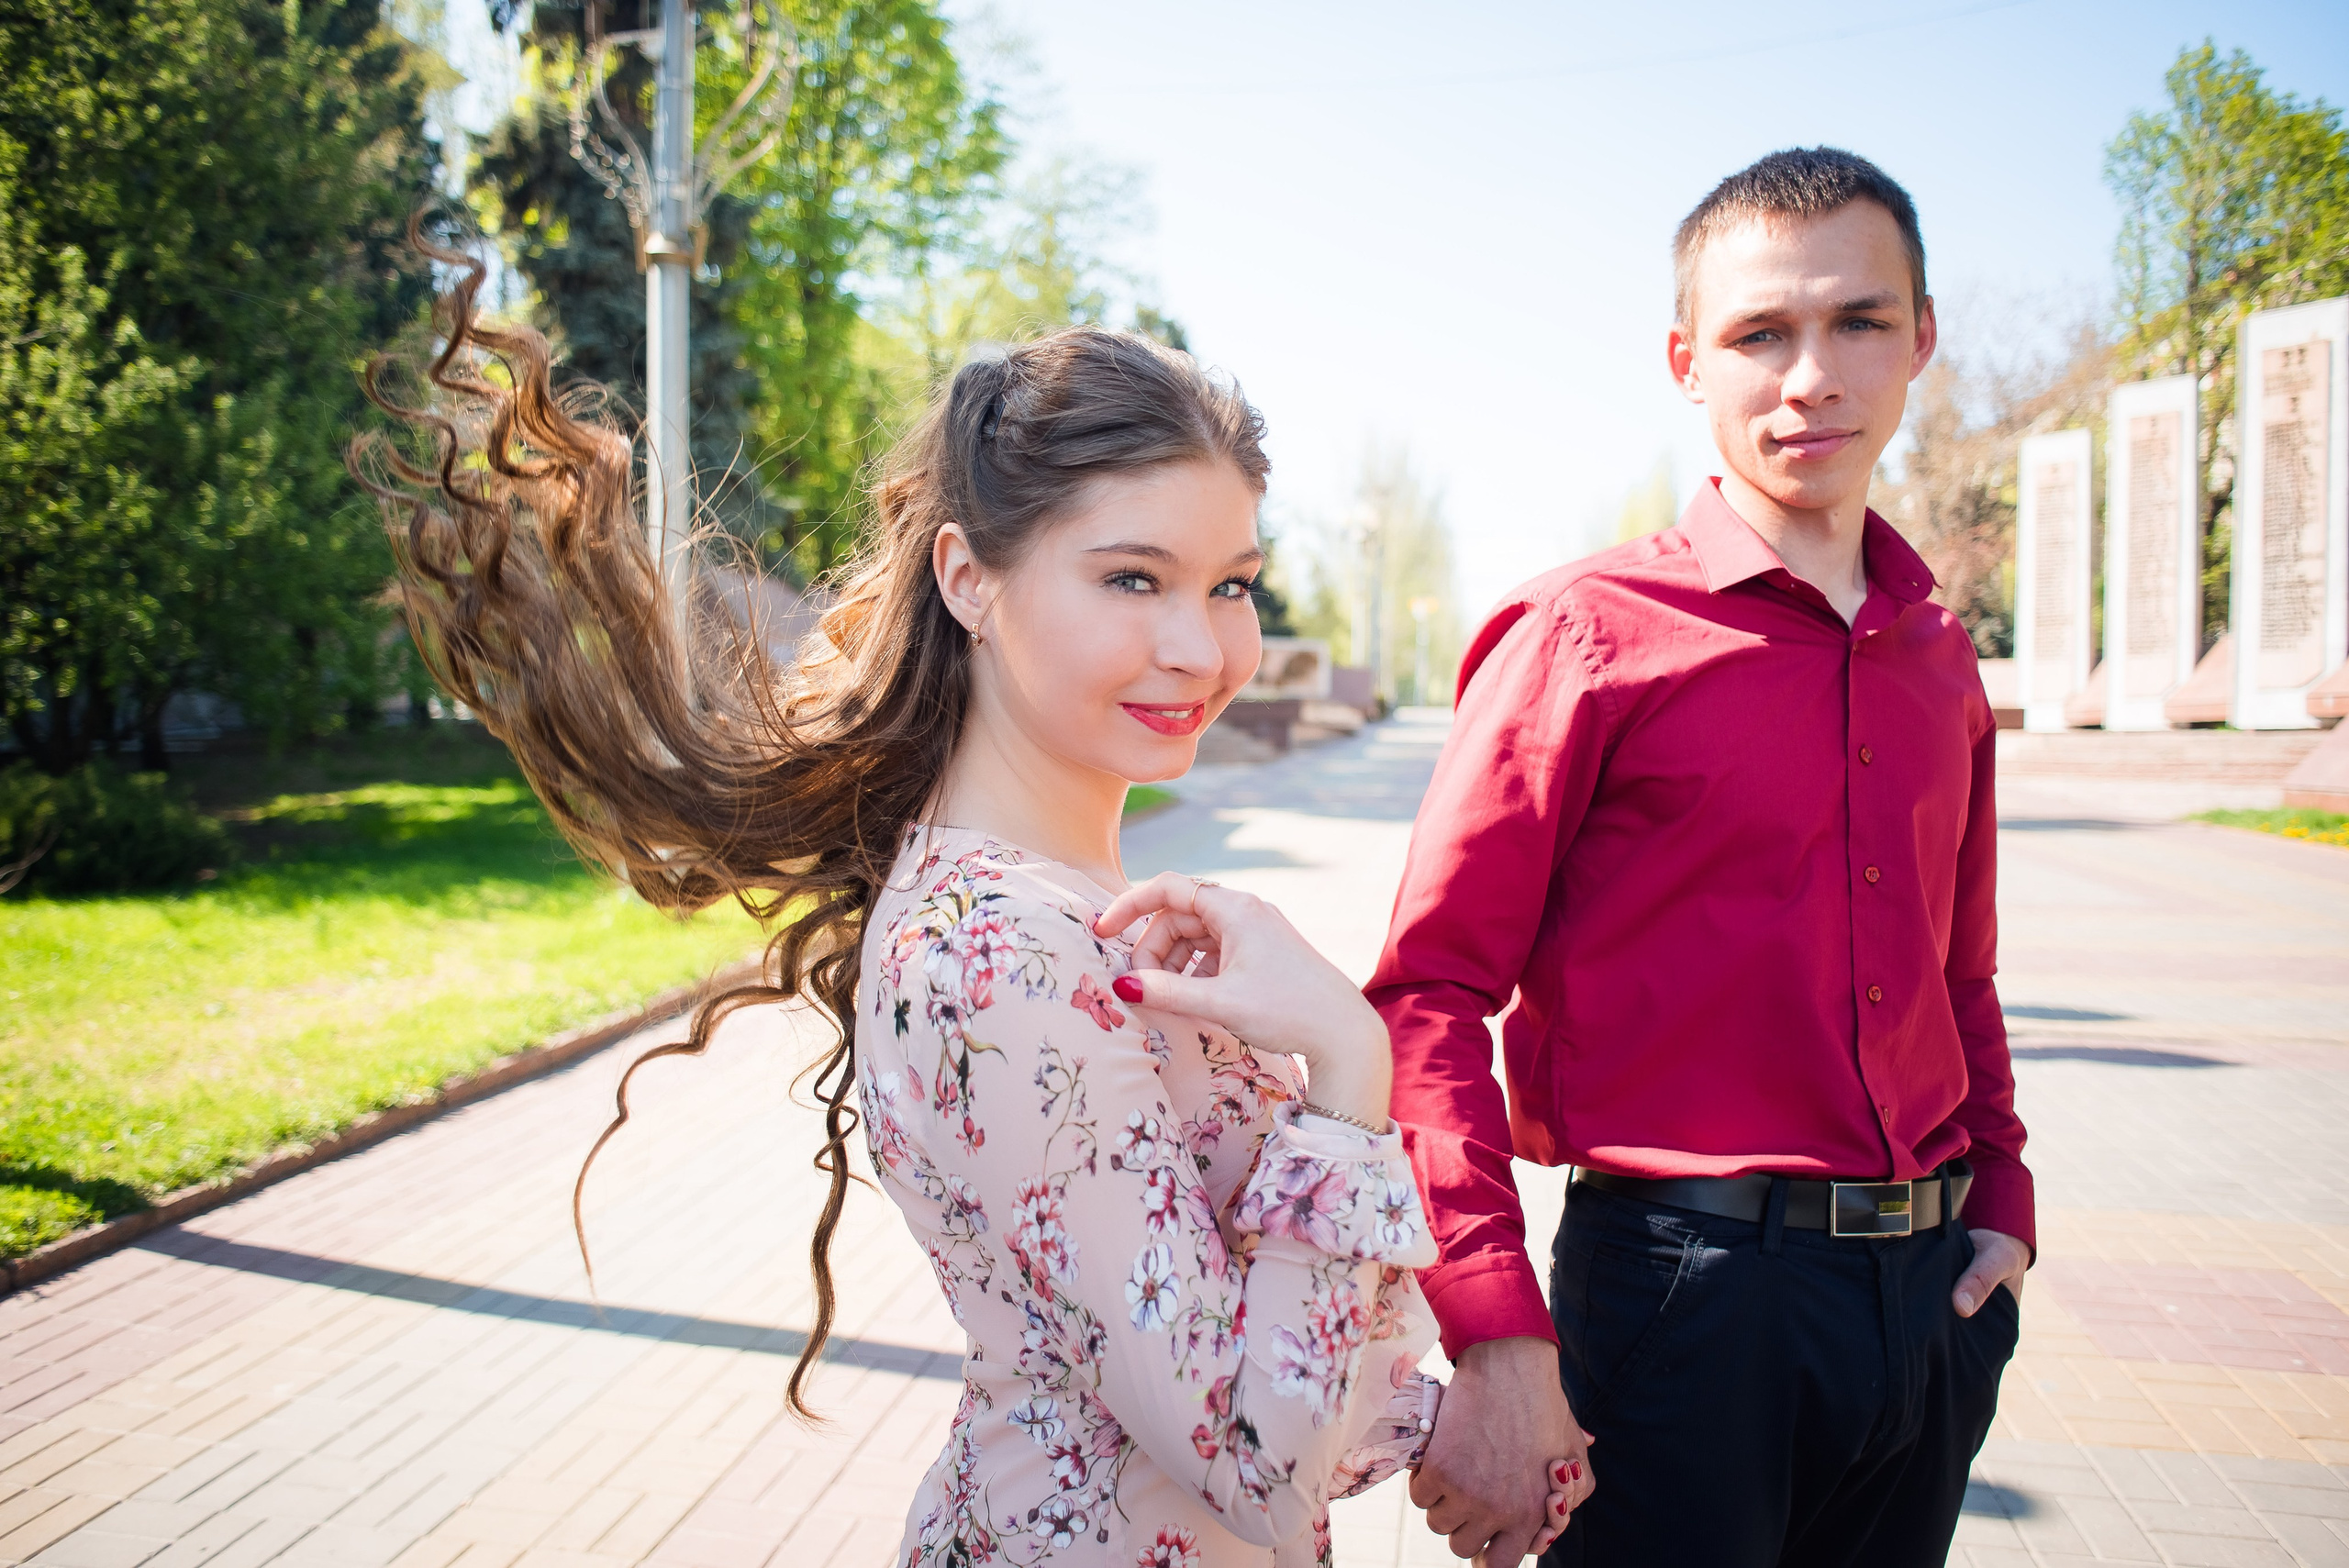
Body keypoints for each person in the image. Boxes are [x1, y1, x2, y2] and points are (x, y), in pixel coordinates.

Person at [352, 245, 1575, 1565]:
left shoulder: (1071, 907)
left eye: (1230, 581)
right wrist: (1347, 1062)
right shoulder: (993, 952)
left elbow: (1217, 1354)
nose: (1201, 644)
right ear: (968, 579)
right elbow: (1250, 1456)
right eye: (1132, 577)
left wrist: (1437, 1423)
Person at [1371, 147, 2034, 1568]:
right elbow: (1426, 999)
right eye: (1759, 335)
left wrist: (2006, 1212)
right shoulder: (1585, 632)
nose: (1811, 376)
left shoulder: (1937, 657)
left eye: (1859, 322)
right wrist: (1491, 1328)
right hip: (1685, 1300)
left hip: (1929, 1302)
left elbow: (1957, 973)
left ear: (1922, 340)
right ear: (1688, 361)